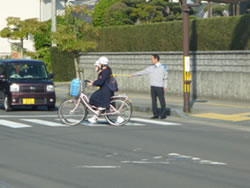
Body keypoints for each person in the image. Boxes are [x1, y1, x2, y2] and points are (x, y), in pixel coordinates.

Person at [130, 54, 168, 119]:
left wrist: (165, 86)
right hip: (153, 86)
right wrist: (133, 75)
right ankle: (155, 114)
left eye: (152, 59)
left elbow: (166, 77)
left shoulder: (163, 67)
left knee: (162, 100)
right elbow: (143, 72)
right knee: (154, 101)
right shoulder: (151, 67)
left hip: (160, 86)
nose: (151, 60)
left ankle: (163, 114)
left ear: (156, 59)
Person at [88, 57, 114, 123]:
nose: (98, 64)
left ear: (102, 64)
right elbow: (101, 81)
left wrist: (93, 83)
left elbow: (101, 82)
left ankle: (97, 113)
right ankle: (96, 115)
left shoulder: (105, 72)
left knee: (94, 97)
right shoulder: (106, 71)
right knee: (94, 97)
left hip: (106, 91)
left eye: (99, 63)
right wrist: (94, 82)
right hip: (105, 89)